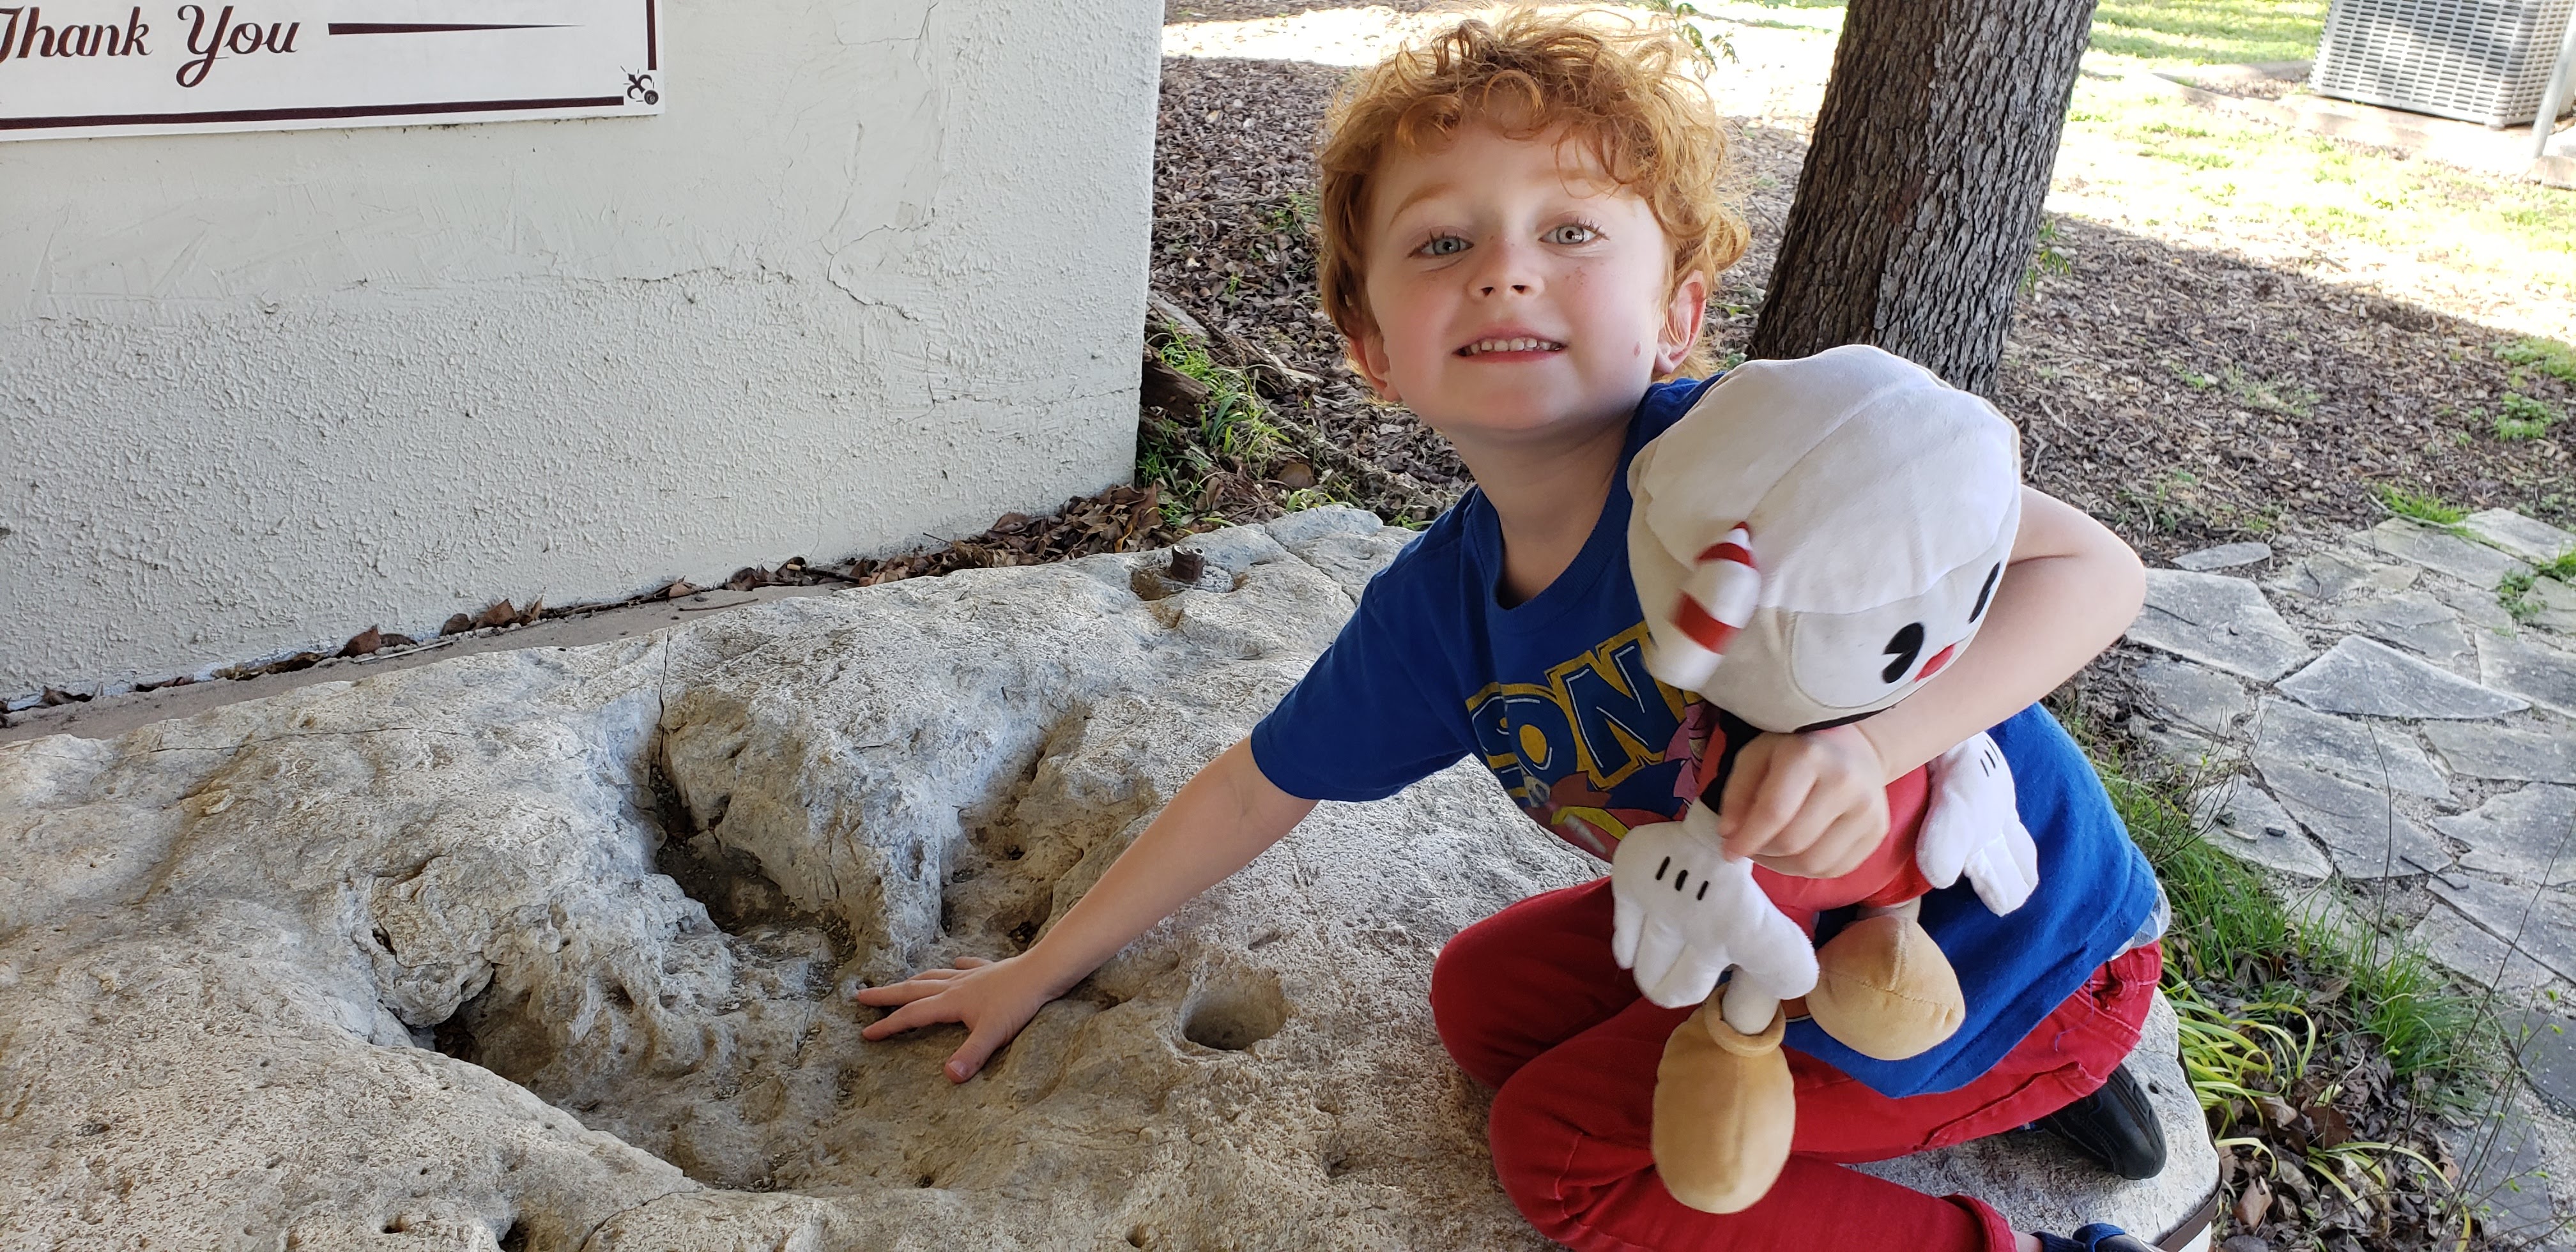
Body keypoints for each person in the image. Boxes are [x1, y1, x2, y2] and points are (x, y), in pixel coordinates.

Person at [857, 11, 2166, 1251]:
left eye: (1571, 230)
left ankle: (2029, 1119)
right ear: (1371, 346)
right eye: (1441, 243)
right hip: (1760, 923)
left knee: (1562, 1151)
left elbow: (2094, 569)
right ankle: (1989, 1090)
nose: (1505, 268)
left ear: (1679, 314)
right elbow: (1258, 787)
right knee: (1481, 1005)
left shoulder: (1769, 464)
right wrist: (1039, 967)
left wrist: (1873, 746)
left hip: (2001, 941)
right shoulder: (1442, 612)